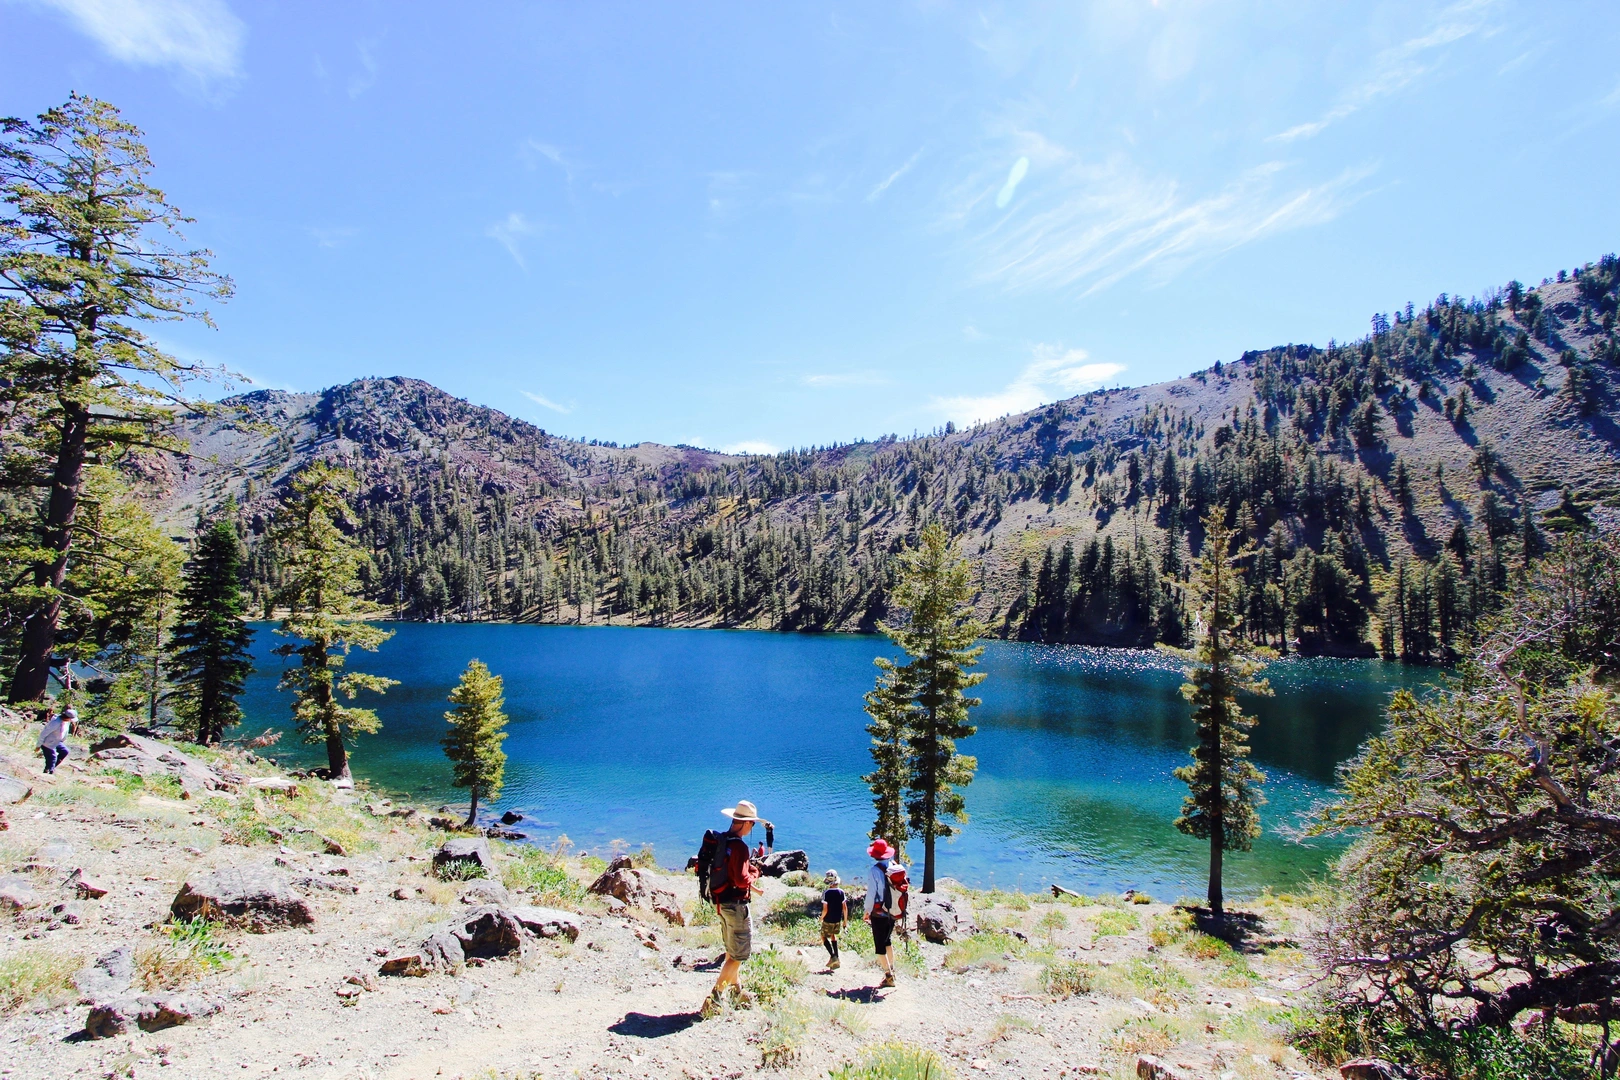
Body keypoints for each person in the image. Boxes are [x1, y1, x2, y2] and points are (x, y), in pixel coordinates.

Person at [704, 799, 768, 1014]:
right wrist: (753, 875)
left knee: (732, 951)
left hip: (721, 903)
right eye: (752, 824)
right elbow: (741, 879)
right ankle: (714, 999)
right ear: (746, 823)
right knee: (739, 955)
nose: (752, 827)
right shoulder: (739, 846)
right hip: (736, 906)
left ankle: (737, 992)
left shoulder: (724, 841)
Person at [865, 838, 902, 989]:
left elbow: (871, 894)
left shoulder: (874, 871)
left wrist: (867, 911)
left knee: (879, 946)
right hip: (892, 910)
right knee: (887, 941)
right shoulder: (894, 865)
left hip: (879, 913)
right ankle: (892, 969)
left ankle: (888, 976)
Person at [820, 870, 848, 970]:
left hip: (828, 919)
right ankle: (837, 959)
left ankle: (833, 956)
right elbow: (844, 908)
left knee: (823, 936)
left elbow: (825, 909)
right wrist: (845, 921)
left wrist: (821, 918)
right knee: (833, 935)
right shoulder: (841, 892)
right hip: (837, 920)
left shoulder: (826, 893)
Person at [38, 705, 75, 775]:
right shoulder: (55, 722)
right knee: (53, 757)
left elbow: (64, 732)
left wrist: (62, 740)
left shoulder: (66, 722)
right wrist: (38, 745)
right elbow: (43, 733)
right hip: (47, 742)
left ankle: (51, 767)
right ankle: (48, 772)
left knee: (65, 751)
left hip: (57, 741)